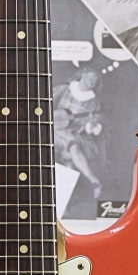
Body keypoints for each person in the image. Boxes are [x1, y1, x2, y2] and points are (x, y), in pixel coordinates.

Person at [53, 68, 106, 199]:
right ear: (82, 75)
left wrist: (91, 125)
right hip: (51, 129)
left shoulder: (94, 102)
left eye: (96, 80)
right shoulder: (64, 89)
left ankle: (64, 201)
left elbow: (89, 125)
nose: (93, 80)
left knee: (71, 156)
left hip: (71, 134)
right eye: (91, 76)